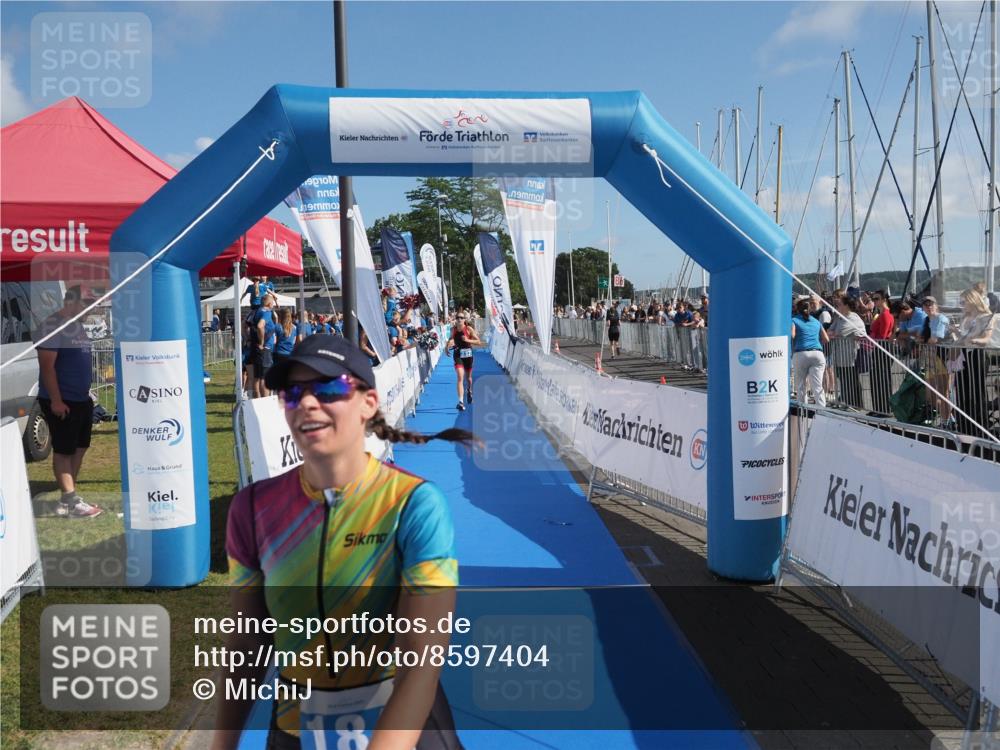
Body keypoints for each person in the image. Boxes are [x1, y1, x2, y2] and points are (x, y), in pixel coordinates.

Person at [215, 334, 472, 750]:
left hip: (400, 726)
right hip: (297, 727)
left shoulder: (414, 504)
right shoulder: (252, 509)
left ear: (368, 404)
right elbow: (247, 644)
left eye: (329, 388)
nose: (309, 403)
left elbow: (420, 659)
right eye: (293, 393)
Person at [34, 286, 102, 518]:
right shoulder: (53, 326)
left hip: (81, 399)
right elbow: (47, 367)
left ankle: (67, 498)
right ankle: (72, 502)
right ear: (70, 301)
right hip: (62, 401)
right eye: (87, 303)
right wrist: (56, 400)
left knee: (80, 448)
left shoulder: (77, 326)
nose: (91, 308)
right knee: (63, 450)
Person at [828, 294, 866, 409]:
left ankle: (854, 405)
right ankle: (846, 402)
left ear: (846, 305)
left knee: (850, 381)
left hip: (850, 357)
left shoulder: (853, 318)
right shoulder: (839, 317)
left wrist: (833, 334)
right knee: (844, 381)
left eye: (839, 304)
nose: (836, 306)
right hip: (840, 356)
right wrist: (832, 334)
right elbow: (829, 331)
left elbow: (839, 334)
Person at [791, 297, 830, 407]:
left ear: (797, 309)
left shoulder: (794, 320)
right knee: (817, 386)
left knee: (801, 385)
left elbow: (792, 335)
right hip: (817, 353)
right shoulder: (816, 321)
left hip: (801, 353)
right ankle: (822, 410)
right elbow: (826, 339)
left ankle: (803, 411)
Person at [445, 314, 482, 410]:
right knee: (460, 377)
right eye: (457, 318)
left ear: (464, 319)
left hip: (468, 355)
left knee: (469, 378)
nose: (459, 319)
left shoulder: (469, 329)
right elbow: (450, 339)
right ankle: (461, 402)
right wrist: (447, 347)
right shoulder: (453, 329)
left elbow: (478, 342)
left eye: (461, 318)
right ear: (455, 319)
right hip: (458, 354)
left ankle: (469, 390)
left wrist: (467, 339)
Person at [868, 291, 896, 414]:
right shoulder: (881, 314)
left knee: (882, 379)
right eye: (873, 299)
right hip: (879, 348)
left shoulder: (885, 314)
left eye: (877, 298)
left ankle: (883, 408)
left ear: (884, 299)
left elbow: (883, 335)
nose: (874, 301)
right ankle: (878, 408)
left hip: (882, 348)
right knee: (877, 378)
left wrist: (871, 337)